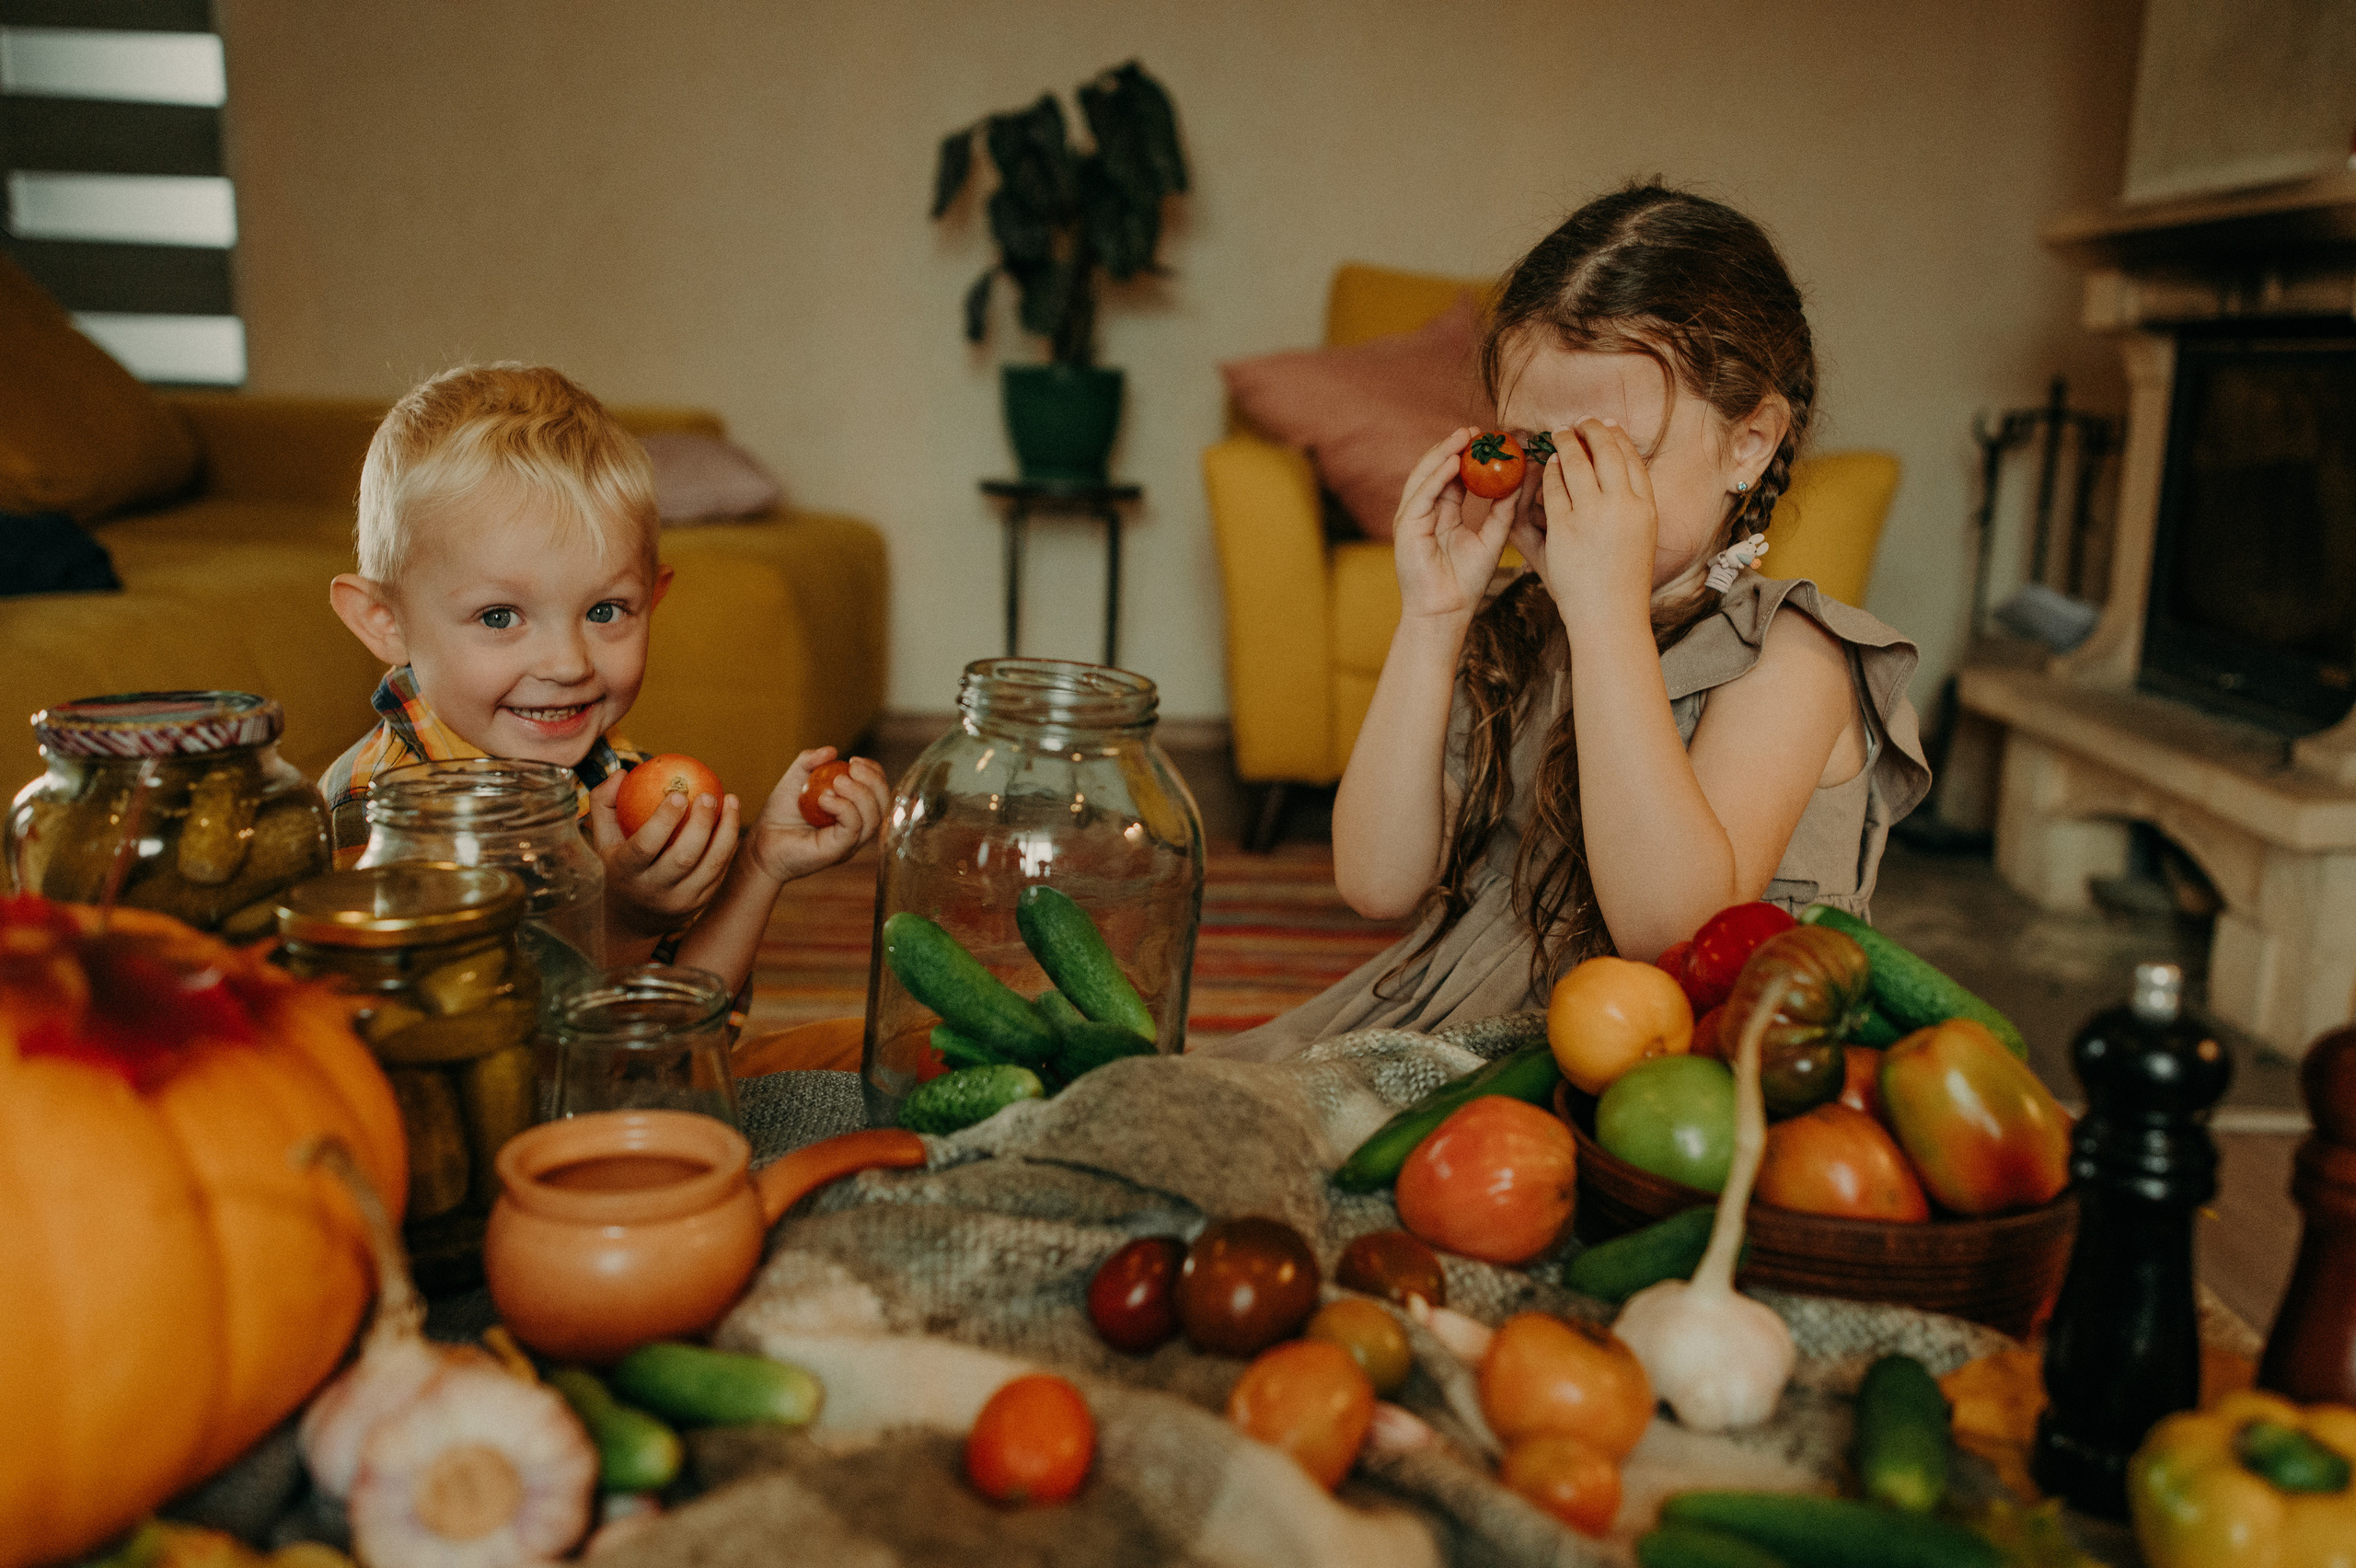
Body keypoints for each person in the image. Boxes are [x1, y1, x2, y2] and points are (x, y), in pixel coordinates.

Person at [1205, 183, 1929, 1063]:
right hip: (1456, 1021)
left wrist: (1605, 618)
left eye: (1613, 453)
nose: (1560, 488)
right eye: (1536, 448)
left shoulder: (1790, 659)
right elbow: (1376, 883)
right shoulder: (1517, 627)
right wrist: (1434, 619)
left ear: (1750, 443)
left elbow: (1672, 934)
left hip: (1670, 1061)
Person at [321, 363, 889, 995]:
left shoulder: (610, 781)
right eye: (499, 616)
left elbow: (679, 1028)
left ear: (653, 597)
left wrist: (761, 864)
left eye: (604, 611)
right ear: (384, 621)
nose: (568, 664)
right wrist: (622, 921)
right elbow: (522, 1066)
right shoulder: (380, 819)